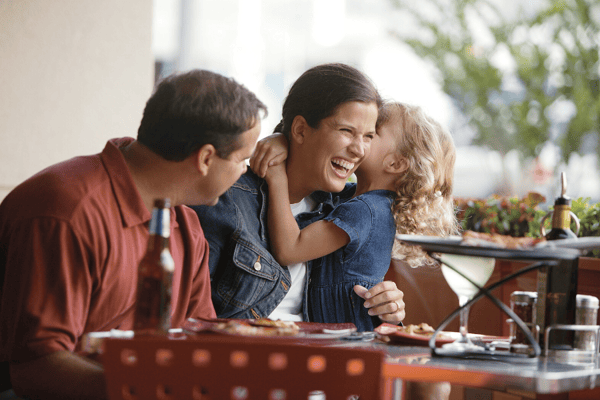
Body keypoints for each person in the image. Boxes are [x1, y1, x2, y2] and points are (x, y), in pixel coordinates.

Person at [0, 69, 267, 400]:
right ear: (206, 158)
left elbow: (198, 343)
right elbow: (34, 370)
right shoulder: (66, 212)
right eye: (242, 159)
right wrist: (151, 389)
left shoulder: (186, 224)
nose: (245, 170)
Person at [191, 63, 406, 325]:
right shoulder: (226, 200)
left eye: (369, 136)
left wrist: (387, 305)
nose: (359, 149)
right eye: (346, 131)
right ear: (301, 129)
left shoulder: (346, 208)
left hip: (321, 355)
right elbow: (191, 314)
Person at [260, 101, 459, 332]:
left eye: (371, 133)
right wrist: (279, 139)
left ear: (395, 163)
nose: (359, 140)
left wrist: (276, 176)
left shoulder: (366, 210)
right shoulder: (353, 199)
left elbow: (289, 250)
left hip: (347, 337)